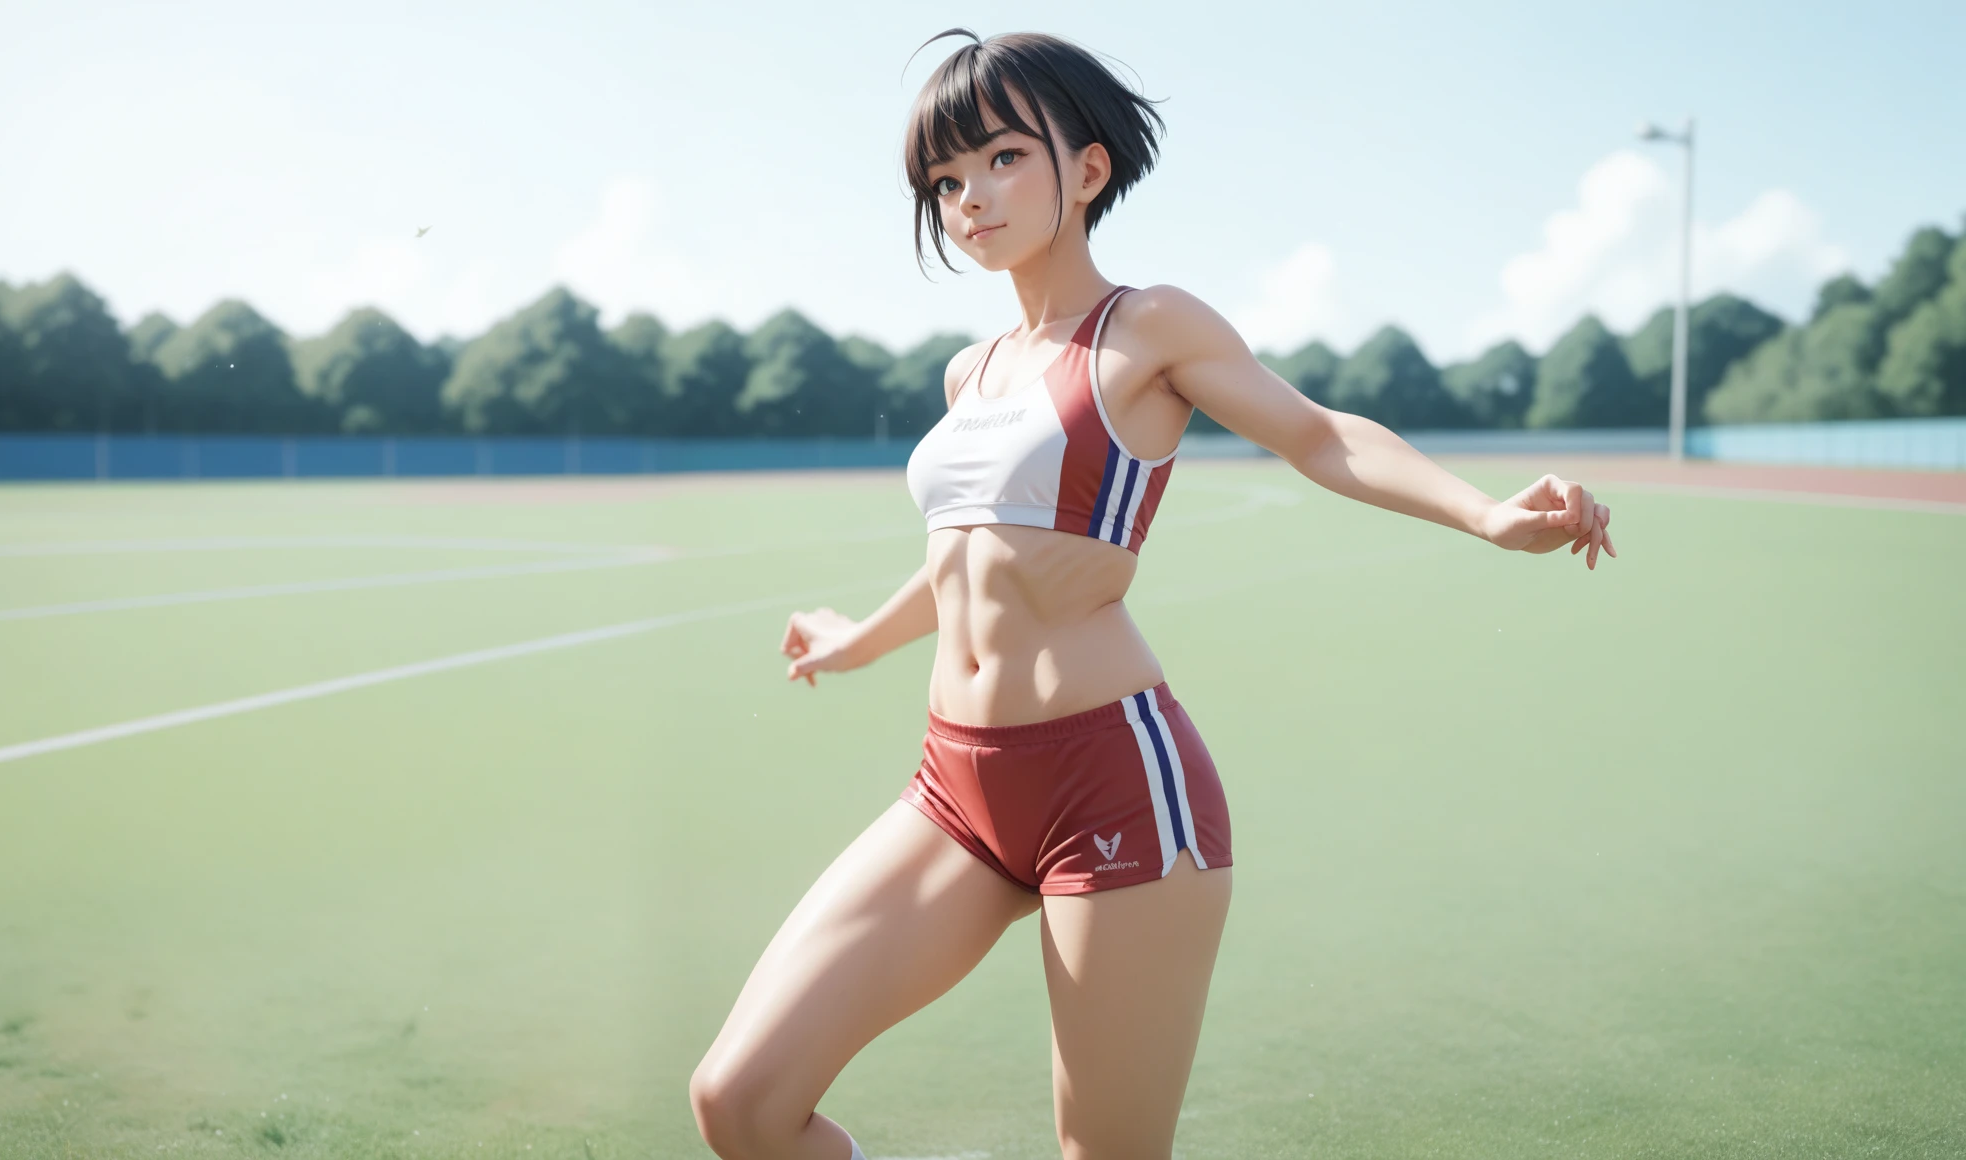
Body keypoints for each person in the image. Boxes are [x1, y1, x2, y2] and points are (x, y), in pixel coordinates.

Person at [689, 28, 1615, 1160]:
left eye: (1001, 160)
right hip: (953, 786)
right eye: (945, 179)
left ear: (1086, 170)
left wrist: (1483, 512)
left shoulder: (1146, 328)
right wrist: (861, 639)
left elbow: (1318, 435)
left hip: (1115, 789)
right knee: (738, 1100)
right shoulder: (968, 372)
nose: (968, 197)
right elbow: (965, 563)